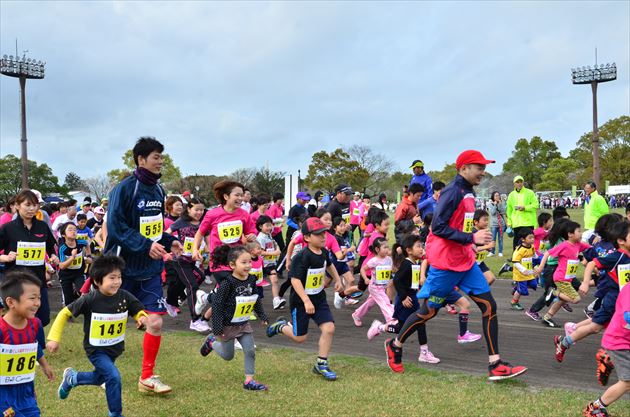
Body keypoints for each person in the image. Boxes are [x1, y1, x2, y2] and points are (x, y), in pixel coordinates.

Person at [384, 150, 527, 380]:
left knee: (489, 306)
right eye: (478, 167)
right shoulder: (452, 192)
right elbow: (438, 228)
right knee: (428, 311)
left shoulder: (468, 191)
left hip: (465, 261)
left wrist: (474, 239)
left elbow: (460, 225)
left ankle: (496, 364)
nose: (483, 171)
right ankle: (395, 344)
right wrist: (472, 238)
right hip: (445, 265)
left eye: (483, 167)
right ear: (463, 168)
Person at [104, 136, 180, 394]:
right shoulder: (124, 189)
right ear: (141, 159)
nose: (161, 161)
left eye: (162, 157)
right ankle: (105, 372)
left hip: (149, 269)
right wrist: (145, 244)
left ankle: (146, 377)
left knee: (156, 322)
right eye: (156, 157)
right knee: (112, 324)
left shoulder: (159, 191)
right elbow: (116, 228)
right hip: (121, 268)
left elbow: (154, 228)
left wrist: (170, 241)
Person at [47, 256, 148, 417]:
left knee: (100, 377)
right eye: (112, 278)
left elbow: (138, 311)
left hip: (115, 348)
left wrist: (142, 319)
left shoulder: (124, 296)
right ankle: (115, 413)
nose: (117, 282)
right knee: (113, 377)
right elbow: (64, 313)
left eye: (119, 277)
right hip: (95, 349)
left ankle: (72, 378)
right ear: (97, 281)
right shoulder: (89, 299)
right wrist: (53, 337)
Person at [266, 217, 343, 381]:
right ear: (307, 237)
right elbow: (295, 280)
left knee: (329, 328)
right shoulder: (301, 257)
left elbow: (329, 264)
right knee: (300, 338)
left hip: (319, 299)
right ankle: (281, 327)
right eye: (318, 234)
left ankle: (321, 364)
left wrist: (338, 279)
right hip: (301, 301)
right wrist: (306, 300)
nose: (323, 237)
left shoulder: (323, 252)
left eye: (324, 233)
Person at [554, 221, 629, 364]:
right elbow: (591, 263)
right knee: (595, 327)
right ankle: (564, 342)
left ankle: (607, 353)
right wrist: (585, 282)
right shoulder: (617, 257)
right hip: (613, 299)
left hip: (624, 299)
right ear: (621, 241)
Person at [199, 246, 270, 391]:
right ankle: (211, 342)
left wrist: (262, 315)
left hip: (243, 323)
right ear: (232, 265)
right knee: (228, 356)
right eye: (244, 262)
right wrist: (217, 328)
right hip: (227, 325)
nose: (248, 265)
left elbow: (255, 299)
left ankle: (249, 380)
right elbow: (217, 305)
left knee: (250, 350)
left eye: (250, 262)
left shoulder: (251, 279)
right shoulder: (227, 283)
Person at [0, 190, 59, 326]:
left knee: (43, 318)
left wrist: (53, 256)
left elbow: (50, 247)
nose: (32, 209)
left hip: (38, 280)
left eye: (35, 205)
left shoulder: (42, 226)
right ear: (18, 205)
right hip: (17, 282)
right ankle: (26, 345)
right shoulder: (8, 228)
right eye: (27, 205)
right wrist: (5, 257)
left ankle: (34, 344)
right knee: (20, 318)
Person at [0, 271, 54, 417]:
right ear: (11, 302)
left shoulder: (35, 324)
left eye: (39, 298)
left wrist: (44, 365)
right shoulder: (1, 329)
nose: (37, 303)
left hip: (26, 395)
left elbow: (33, 346)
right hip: (3, 398)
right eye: (32, 298)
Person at [192, 180, 257, 284]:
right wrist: (195, 250)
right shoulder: (212, 214)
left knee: (229, 290)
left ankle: (207, 298)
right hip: (219, 259)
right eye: (237, 195)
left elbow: (251, 233)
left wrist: (252, 236)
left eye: (242, 195)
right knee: (230, 285)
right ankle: (208, 297)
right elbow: (200, 233)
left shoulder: (244, 214)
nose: (241, 198)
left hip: (237, 257)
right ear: (226, 196)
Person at [582, 282, 630, 417]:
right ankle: (594, 409)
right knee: (627, 382)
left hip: (624, 340)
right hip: (619, 341)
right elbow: (628, 316)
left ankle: (608, 359)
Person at [166, 198, 209, 333]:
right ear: (189, 209)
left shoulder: (203, 223)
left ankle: (171, 300)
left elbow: (208, 242)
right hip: (180, 259)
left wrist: (209, 251)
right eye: (196, 209)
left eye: (201, 210)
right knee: (192, 286)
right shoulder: (181, 221)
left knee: (200, 277)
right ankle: (195, 320)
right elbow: (166, 234)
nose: (199, 212)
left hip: (193, 260)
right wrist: (170, 246)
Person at [537, 220, 591, 327]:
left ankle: (547, 317)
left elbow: (591, 249)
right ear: (570, 234)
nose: (581, 233)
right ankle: (553, 292)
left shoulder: (578, 245)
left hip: (568, 278)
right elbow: (548, 253)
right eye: (578, 231)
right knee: (576, 299)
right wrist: (541, 267)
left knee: (562, 300)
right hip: (561, 278)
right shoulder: (564, 245)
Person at [352, 237, 395, 329]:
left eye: (388, 247)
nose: (387, 249)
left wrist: (390, 280)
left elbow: (390, 271)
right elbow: (363, 269)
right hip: (375, 287)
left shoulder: (389, 259)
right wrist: (365, 279)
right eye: (385, 247)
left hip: (383, 286)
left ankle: (357, 315)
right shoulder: (374, 261)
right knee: (385, 301)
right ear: (377, 249)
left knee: (370, 303)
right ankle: (391, 320)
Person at [58, 222, 92, 307]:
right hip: (66, 274)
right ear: (63, 235)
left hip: (78, 272)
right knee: (68, 299)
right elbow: (62, 266)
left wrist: (89, 256)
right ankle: (68, 315)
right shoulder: (62, 248)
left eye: (75, 230)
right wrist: (72, 257)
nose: (73, 232)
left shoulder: (81, 242)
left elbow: (87, 244)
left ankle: (76, 296)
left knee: (82, 291)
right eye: (70, 230)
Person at [255, 215, 283, 309]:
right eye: (267, 225)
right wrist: (275, 253)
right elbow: (260, 252)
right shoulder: (260, 238)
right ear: (260, 226)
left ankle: (276, 300)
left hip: (270, 263)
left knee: (275, 280)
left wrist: (277, 249)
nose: (270, 228)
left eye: (271, 225)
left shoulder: (269, 235)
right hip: (262, 264)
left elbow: (274, 245)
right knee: (256, 285)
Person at [510, 228, 538, 311]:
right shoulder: (519, 250)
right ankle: (514, 302)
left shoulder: (531, 247)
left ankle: (516, 288)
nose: (532, 239)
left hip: (529, 273)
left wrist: (537, 262)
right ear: (523, 239)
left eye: (533, 237)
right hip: (520, 275)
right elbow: (515, 262)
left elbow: (534, 255)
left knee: (534, 285)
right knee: (522, 291)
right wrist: (522, 269)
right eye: (530, 238)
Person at [487, 191, 506, 257]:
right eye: (496, 196)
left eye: (498, 195)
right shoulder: (489, 203)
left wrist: (500, 204)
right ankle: (492, 252)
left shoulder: (501, 202)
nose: (497, 197)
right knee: (493, 239)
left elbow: (503, 212)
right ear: (493, 197)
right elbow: (492, 212)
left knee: (500, 239)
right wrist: (495, 205)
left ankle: (500, 252)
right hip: (493, 225)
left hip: (501, 224)